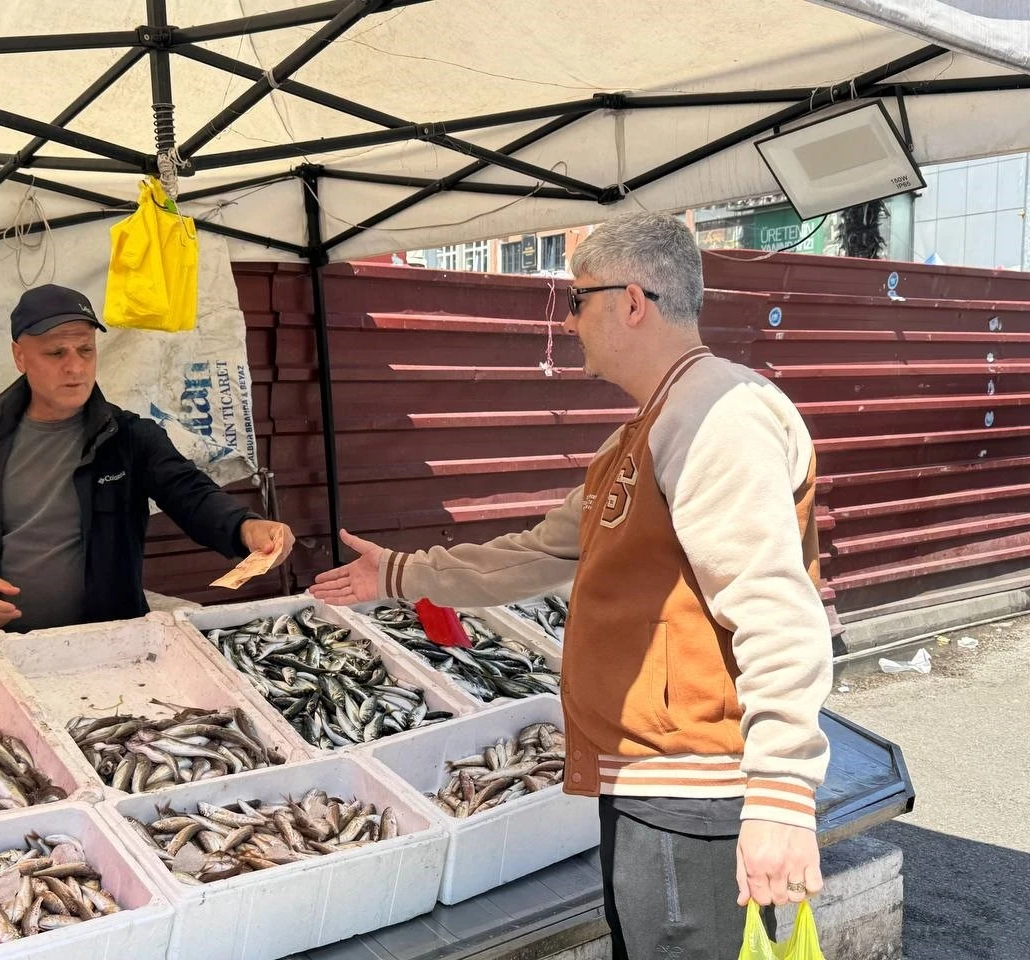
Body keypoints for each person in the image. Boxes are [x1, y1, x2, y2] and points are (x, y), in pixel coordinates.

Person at [311, 213, 832, 958]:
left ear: (632, 302)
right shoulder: (641, 434)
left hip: (696, 789)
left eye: (578, 299)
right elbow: (539, 553)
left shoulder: (720, 417)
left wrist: (781, 796)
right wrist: (399, 574)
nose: (568, 321)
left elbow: (777, 611)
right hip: (647, 783)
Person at [0, 283, 293, 632]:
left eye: (85, 349)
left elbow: (191, 493)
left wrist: (245, 527)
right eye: (56, 352)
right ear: (20, 356)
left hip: (109, 647)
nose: (75, 367)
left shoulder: (128, 438)